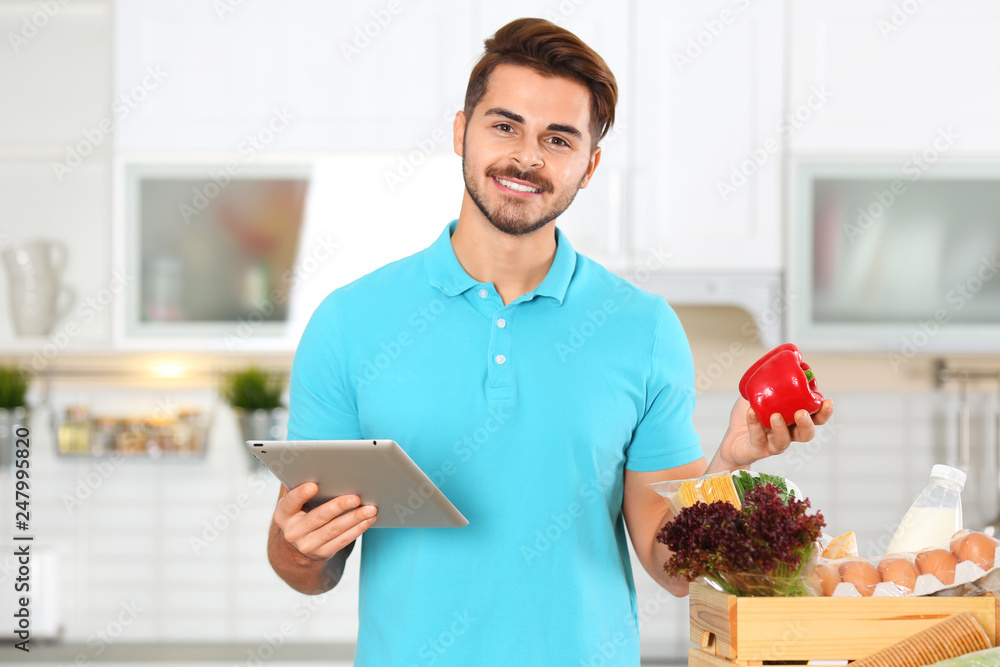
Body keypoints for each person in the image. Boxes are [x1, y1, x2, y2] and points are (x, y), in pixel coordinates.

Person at [267, 17, 833, 666]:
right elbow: (306, 566)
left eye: (557, 139)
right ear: (461, 131)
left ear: (589, 167)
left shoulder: (643, 329)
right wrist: (297, 545)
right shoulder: (350, 322)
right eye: (504, 126)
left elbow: (672, 564)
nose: (527, 157)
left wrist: (727, 465)